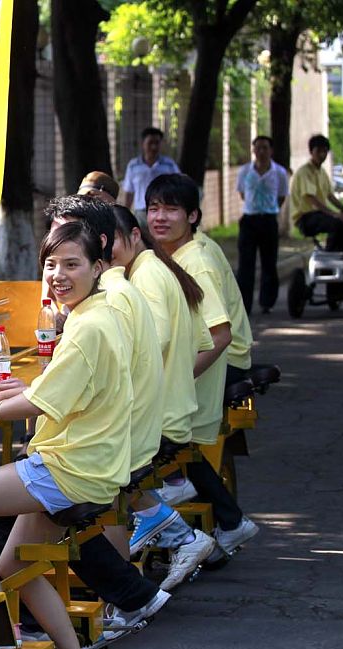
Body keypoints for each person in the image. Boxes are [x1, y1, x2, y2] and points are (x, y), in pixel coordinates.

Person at [0, 220, 169, 649]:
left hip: (71, 466)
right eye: (51, 264)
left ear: (99, 266)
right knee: (13, 565)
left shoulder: (86, 327)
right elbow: (59, 390)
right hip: (92, 461)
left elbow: (43, 400)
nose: (58, 275)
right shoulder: (97, 311)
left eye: (71, 264)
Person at [144, 174, 259, 562]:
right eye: (153, 208)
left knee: (153, 421)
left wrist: (173, 379)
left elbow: (221, 336)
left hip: (229, 359)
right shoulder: (176, 253)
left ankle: (171, 507)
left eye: (171, 208)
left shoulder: (196, 261)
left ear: (192, 215)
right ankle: (228, 521)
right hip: (210, 353)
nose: (160, 217)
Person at [109, 204, 217, 588]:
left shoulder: (146, 278)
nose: (104, 254)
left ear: (134, 236)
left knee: (87, 467)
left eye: (111, 244)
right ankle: (161, 538)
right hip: (169, 413)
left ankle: (128, 579)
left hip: (159, 421)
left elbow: (155, 341)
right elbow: (202, 342)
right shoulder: (155, 269)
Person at [235, 135, 289, 313]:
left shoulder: (279, 172)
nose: (261, 151)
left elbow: (281, 197)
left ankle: (267, 302)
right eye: (258, 148)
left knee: (269, 262)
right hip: (249, 220)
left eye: (265, 148)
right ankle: (245, 304)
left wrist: (270, 209)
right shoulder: (244, 171)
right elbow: (242, 194)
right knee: (246, 264)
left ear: (271, 151)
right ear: (253, 150)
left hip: (268, 220)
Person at [291, 134, 343, 252]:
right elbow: (312, 199)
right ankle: (330, 253)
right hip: (305, 217)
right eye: (318, 151)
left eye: (325, 151)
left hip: (319, 214)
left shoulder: (322, 172)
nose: (322, 155)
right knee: (337, 223)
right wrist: (334, 214)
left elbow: (331, 197)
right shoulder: (305, 172)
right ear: (311, 152)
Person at [121, 126, 180, 225]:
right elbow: (129, 192)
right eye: (150, 143)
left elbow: (179, 186)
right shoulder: (133, 166)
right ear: (143, 144)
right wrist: (125, 214)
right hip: (141, 213)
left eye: (157, 143)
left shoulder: (169, 165)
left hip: (163, 212)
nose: (153, 147)